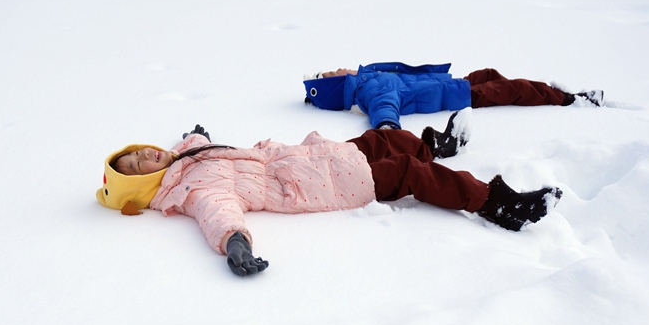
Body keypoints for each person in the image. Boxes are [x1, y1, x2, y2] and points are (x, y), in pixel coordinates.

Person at [96, 115, 562, 277]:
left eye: (138, 152)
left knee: (382, 142)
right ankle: (496, 205)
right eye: (139, 166)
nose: (146, 155)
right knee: (407, 173)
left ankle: (434, 144)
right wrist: (235, 242)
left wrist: (195, 134)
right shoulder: (194, 189)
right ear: (145, 185)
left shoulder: (185, 156)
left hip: (306, 157)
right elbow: (218, 212)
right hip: (317, 184)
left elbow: (200, 145)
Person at [303, 63, 603, 130]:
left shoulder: (365, 79)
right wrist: (385, 126)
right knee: (512, 90)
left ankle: (542, 92)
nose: (335, 67)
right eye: (329, 72)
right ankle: (569, 99)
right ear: (337, 82)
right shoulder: (369, 89)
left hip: (448, 83)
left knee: (488, 74)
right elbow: (385, 106)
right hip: (454, 95)